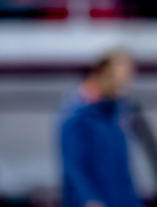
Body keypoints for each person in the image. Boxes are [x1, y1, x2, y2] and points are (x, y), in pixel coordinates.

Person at [59, 52, 142, 207]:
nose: (125, 85)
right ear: (102, 74)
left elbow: (122, 172)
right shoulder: (78, 115)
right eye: (119, 79)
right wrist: (90, 200)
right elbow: (74, 166)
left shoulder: (116, 114)